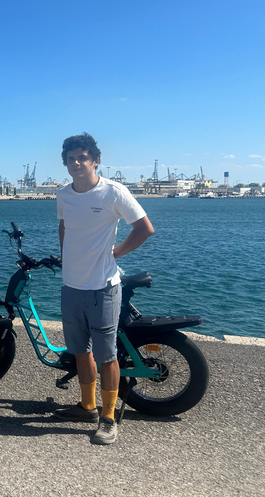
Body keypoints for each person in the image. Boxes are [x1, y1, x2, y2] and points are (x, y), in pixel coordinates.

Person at [54, 133, 154, 445]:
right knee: (80, 352)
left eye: (83, 157)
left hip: (102, 288)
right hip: (71, 287)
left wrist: (116, 253)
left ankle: (108, 417)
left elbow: (144, 228)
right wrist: (67, 256)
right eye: (71, 159)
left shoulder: (112, 192)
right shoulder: (63, 194)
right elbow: (64, 226)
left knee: (107, 355)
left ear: (95, 160)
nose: (77, 163)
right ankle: (87, 406)